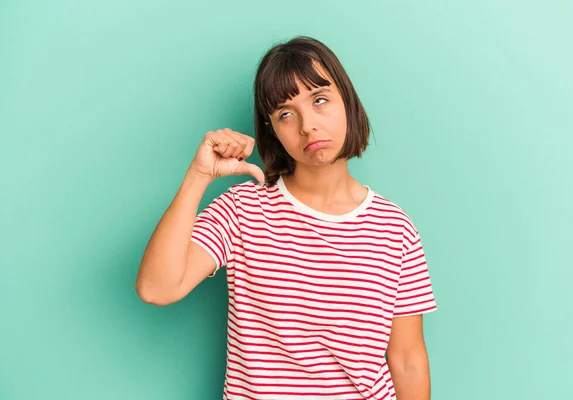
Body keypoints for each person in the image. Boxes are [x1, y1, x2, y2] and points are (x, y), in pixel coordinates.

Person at [136, 36, 438, 400]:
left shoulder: (394, 227)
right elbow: (156, 288)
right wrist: (199, 176)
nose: (308, 125)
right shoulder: (243, 210)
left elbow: (407, 359)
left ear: (348, 102)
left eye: (320, 100)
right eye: (286, 114)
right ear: (273, 132)